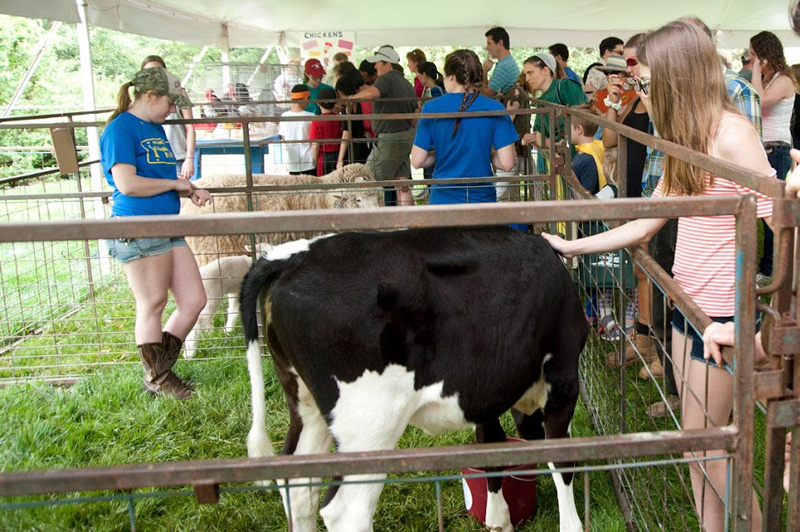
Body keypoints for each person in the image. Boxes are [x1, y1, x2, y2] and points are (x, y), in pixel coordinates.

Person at [542, 21, 774, 532]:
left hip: (720, 315)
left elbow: (781, 221)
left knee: (715, 451)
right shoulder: (685, 137)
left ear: (675, 77)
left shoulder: (733, 136)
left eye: (645, 83)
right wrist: (573, 243)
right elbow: (651, 218)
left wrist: (755, 322)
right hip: (685, 303)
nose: (639, 94)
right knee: (698, 449)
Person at [100, 66, 212, 399]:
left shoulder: (154, 127)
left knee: (194, 300)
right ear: (150, 96)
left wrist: (186, 189)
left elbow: (154, 179)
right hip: (138, 225)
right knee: (153, 302)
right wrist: (175, 183)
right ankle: (161, 379)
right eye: (170, 102)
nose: (173, 109)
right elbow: (128, 184)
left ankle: (158, 372)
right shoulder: (121, 129)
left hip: (167, 224)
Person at [410, 49, 517, 205]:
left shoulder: (431, 108)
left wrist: (441, 153)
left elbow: (417, 161)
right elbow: (507, 163)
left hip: (443, 199)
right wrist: (486, 152)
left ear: (452, 77)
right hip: (482, 200)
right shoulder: (495, 108)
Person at [750, 30, 797, 283]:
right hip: (764, 148)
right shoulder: (769, 78)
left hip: (777, 150)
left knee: (773, 210)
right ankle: (768, 265)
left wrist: (756, 69)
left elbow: (761, 101)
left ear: (765, 55)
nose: (750, 58)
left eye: (754, 54)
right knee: (763, 210)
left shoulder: (784, 79)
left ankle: (770, 270)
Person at [351, 46, 417, 206]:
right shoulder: (406, 83)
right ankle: (409, 223)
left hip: (389, 138)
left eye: (378, 63)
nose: (375, 67)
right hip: (405, 135)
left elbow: (373, 93)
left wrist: (352, 98)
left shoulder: (386, 79)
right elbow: (415, 112)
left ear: (387, 64)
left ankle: (373, 224)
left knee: (367, 180)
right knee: (402, 182)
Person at [520, 52, 587, 172]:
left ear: (545, 70)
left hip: (582, 158)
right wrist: (533, 138)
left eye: (530, 73)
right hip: (563, 163)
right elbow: (541, 135)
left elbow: (586, 117)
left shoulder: (565, 86)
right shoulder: (541, 102)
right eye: (525, 74)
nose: (527, 79)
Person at [140, 55, 196, 180]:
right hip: (153, 157)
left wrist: (189, 158)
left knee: (181, 195)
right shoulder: (142, 97)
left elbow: (190, 126)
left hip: (177, 155)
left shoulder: (179, 92)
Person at [278, 84, 316, 175]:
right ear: (306, 99)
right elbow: (315, 141)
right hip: (309, 162)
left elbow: (283, 138)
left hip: (293, 162)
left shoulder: (284, 116)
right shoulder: (311, 117)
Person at [309, 87, 347, 176]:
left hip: (323, 158)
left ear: (318, 103)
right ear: (335, 103)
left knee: (324, 184)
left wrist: (314, 162)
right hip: (339, 156)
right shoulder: (340, 119)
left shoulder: (316, 121)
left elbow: (315, 146)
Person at [334, 76, 371, 165]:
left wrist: (340, 159)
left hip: (351, 151)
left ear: (339, 93)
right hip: (363, 148)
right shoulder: (360, 105)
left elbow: (346, 134)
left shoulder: (347, 110)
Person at [482, 27, 520, 98]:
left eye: (489, 43)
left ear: (500, 43)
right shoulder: (508, 61)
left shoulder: (504, 66)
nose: (487, 48)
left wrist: (484, 72)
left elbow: (486, 94)